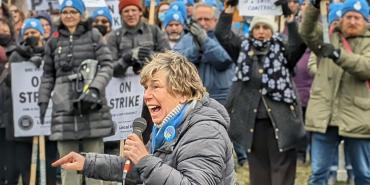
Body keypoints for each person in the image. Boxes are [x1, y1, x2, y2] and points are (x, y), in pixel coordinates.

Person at [51, 51, 236, 185]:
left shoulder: (205, 131)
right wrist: (87, 162)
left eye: (155, 87)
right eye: (145, 88)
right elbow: (141, 170)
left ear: (183, 93)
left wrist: (145, 159)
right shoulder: (169, 125)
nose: (146, 96)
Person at [215, 0, 306, 184]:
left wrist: (289, 18)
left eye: (266, 27)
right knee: (259, 172)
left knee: (282, 172)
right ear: (252, 30)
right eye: (258, 27)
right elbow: (222, 34)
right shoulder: (243, 49)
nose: (262, 31)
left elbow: (299, 44)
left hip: (282, 122)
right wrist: (229, 10)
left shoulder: (283, 49)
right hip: (252, 122)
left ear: (272, 30)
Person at [38, 0, 114, 184]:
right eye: (65, 12)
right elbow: (48, 74)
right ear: (60, 14)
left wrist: (95, 88)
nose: (69, 15)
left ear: (81, 14)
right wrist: (43, 99)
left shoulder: (94, 35)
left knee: (95, 165)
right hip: (63, 109)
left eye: (73, 11)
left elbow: (107, 65)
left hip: (92, 106)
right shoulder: (53, 40)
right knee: (68, 165)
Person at [299, 0, 370, 184]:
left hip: (359, 118)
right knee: (318, 173)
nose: (352, 21)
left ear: (366, 21)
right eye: (348, 17)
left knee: (364, 174)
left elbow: (366, 67)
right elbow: (306, 32)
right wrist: (314, 7)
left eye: (357, 18)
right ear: (341, 20)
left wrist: (338, 55)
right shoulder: (327, 38)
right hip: (326, 116)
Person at [174, 2, 234, 105]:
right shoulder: (186, 39)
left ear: (215, 20)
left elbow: (225, 60)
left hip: (220, 97)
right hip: (193, 97)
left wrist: (205, 42)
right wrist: (196, 50)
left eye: (206, 19)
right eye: (199, 19)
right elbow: (176, 63)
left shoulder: (225, 37)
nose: (202, 23)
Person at [106, 0, 169, 77]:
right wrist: (124, 60)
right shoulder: (114, 36)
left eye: (134, 10)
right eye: (126, 11)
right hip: (123, 86)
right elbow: (109, 68)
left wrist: (151, 56)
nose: (130, 14)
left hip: (152, 80)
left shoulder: (154, 31)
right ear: (121, 14)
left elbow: (168, 59)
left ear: (140, 12)